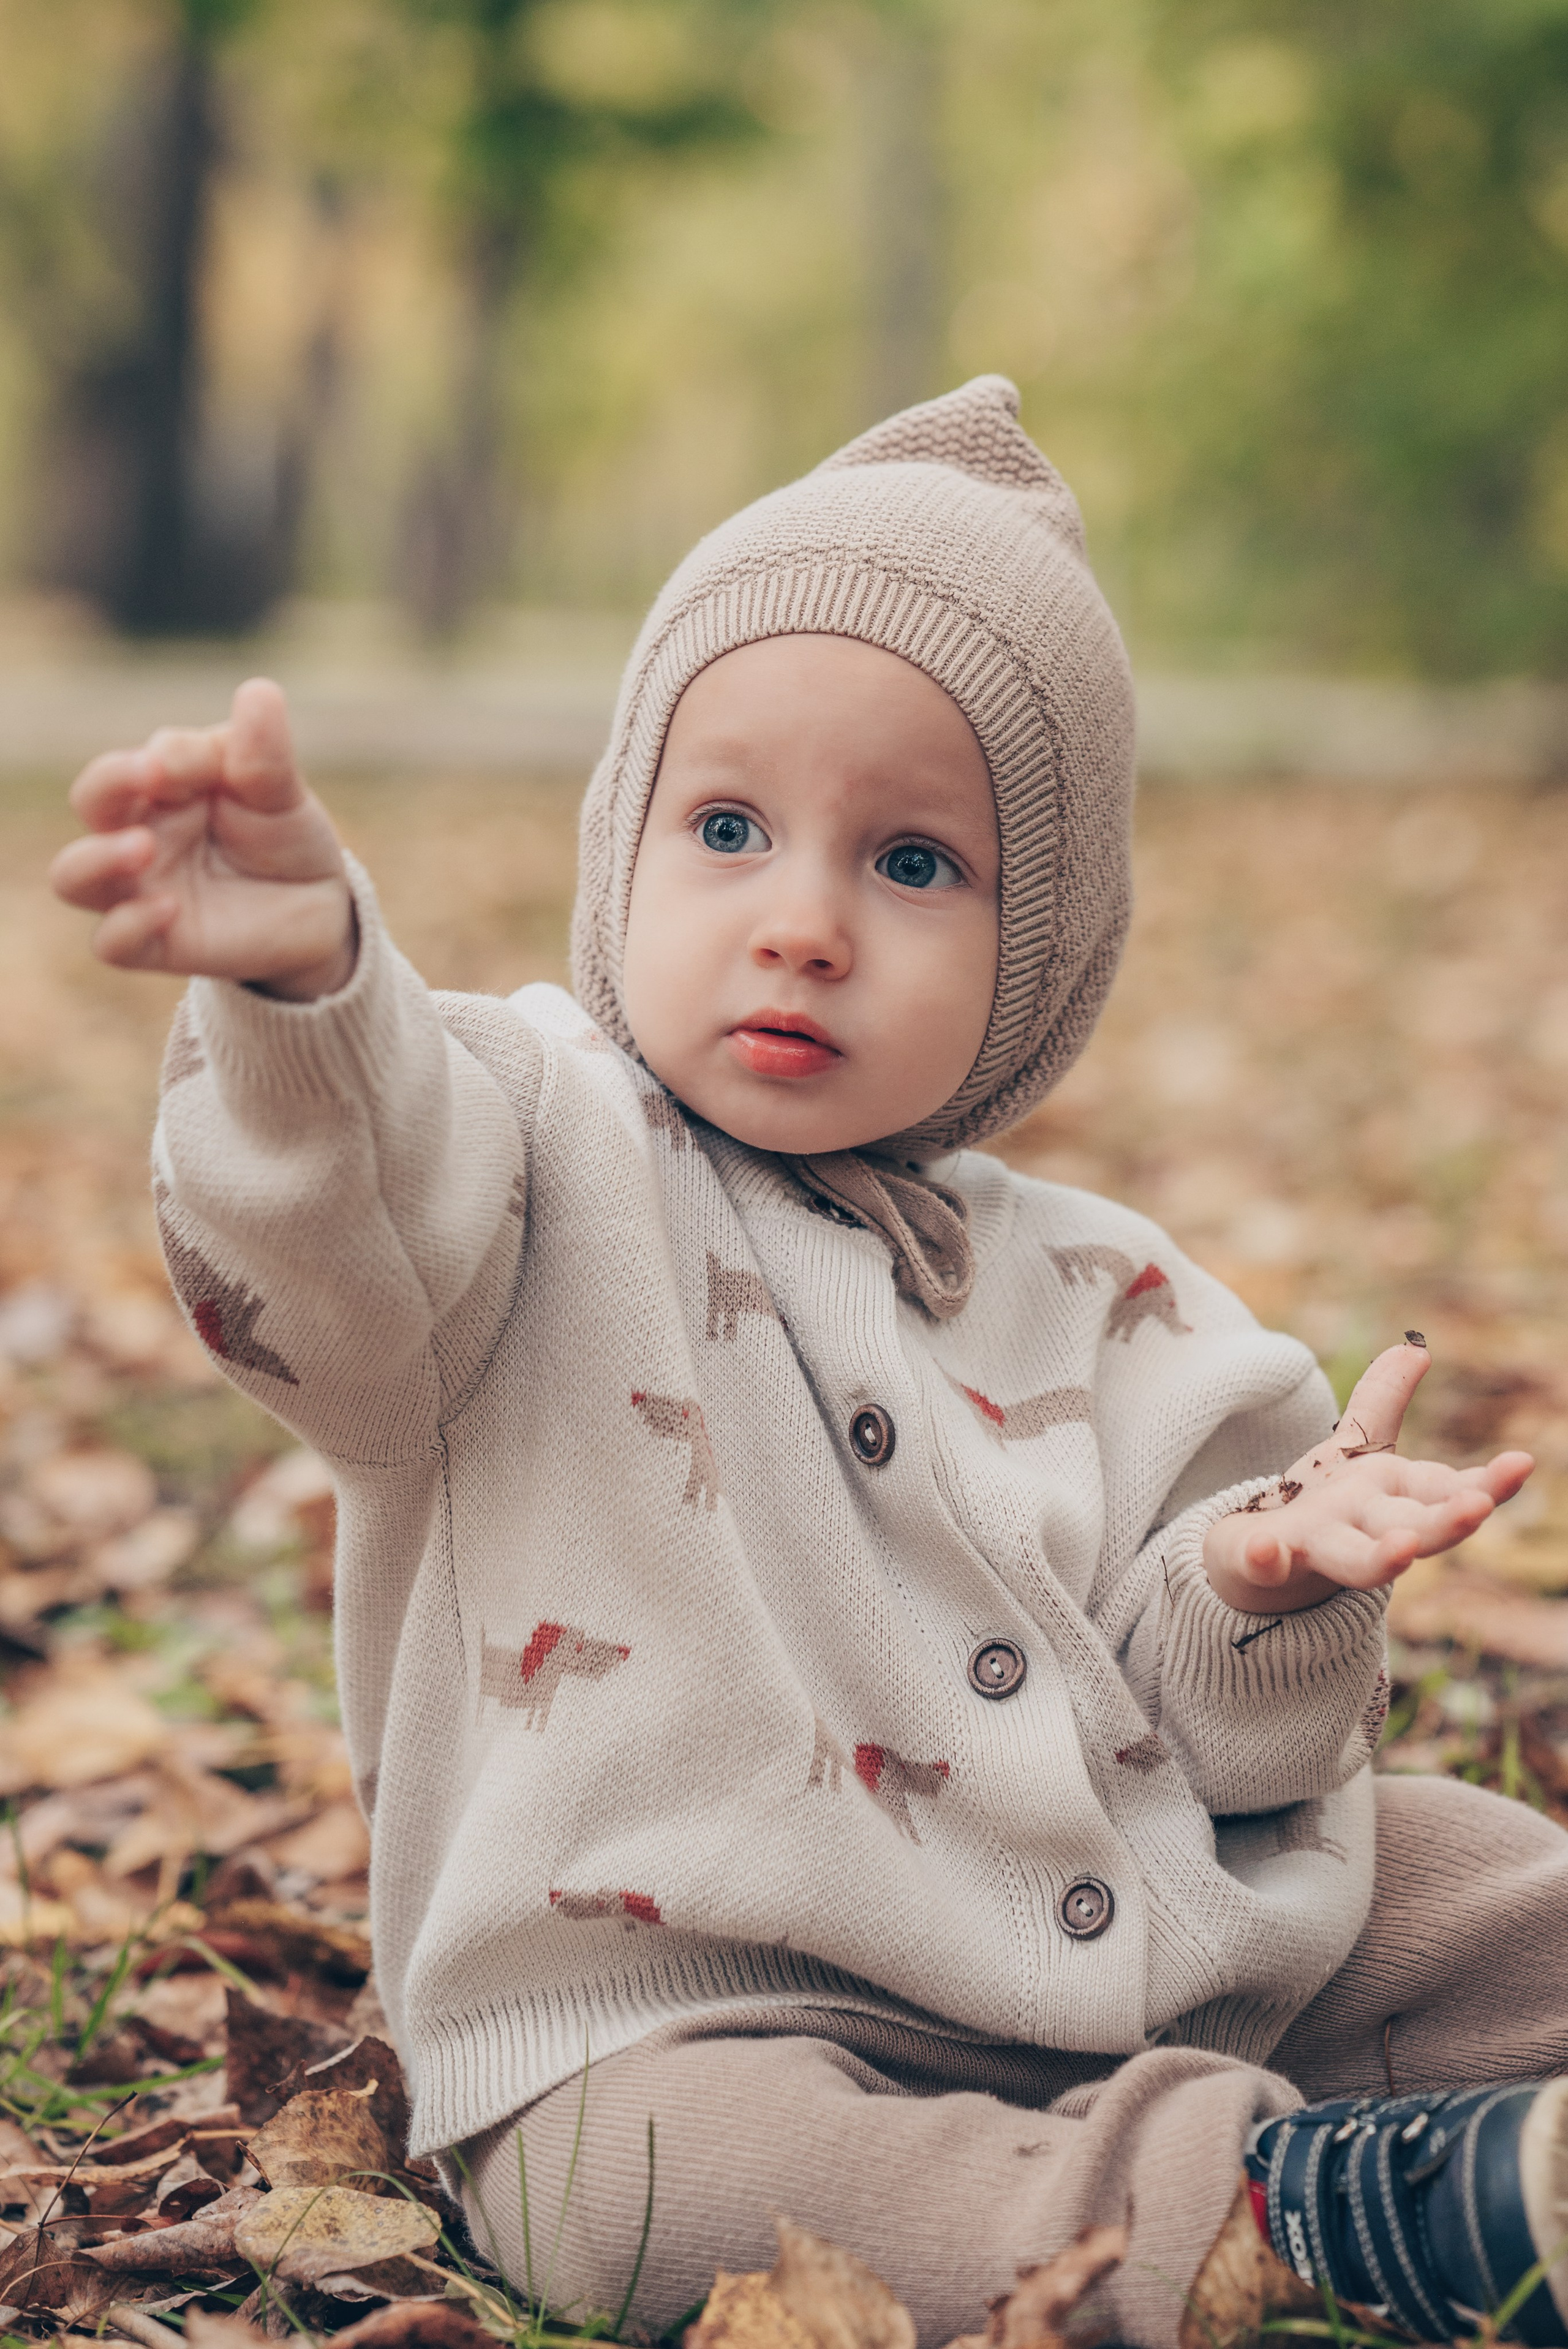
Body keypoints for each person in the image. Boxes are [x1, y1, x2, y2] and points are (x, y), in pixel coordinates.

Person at [50, 377, 1568, 2349]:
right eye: (732, 828)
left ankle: (1441, 2117)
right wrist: (305, 995)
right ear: (628, 849)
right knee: (642, 2183)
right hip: (685, 2007)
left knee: (1456, 1872)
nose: (804, 924)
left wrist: (1258, 1590)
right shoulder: (516, 1157)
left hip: (1143, 1938)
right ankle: (1305, 2210)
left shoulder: (1124, 1304)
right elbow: (325, 1251)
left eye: (914, 864)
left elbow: (1233, 1756)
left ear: (1045, 955)